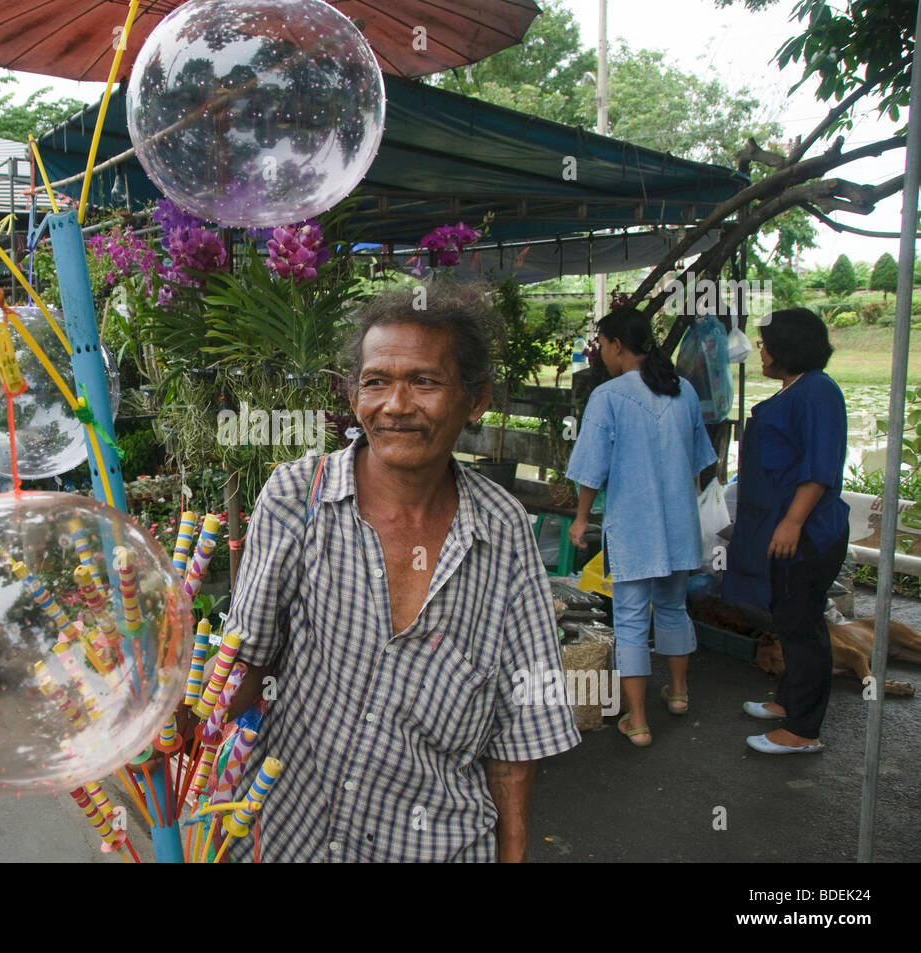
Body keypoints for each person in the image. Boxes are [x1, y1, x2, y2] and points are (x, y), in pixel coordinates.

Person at [205, 284, 580, 863]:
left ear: (475, 399)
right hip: (285, 837)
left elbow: (518, 729)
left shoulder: (502, 529)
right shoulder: (298, 496)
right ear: (353, 394)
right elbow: (244, 662)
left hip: (432, 845)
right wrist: (171, 727)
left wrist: (514, 855)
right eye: (376, 382)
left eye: (425, 382)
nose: (396, 405)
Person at [565, 307, 717, 747]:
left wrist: (580, 518)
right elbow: (698, 464)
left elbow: (591, 469)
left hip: (634, 524)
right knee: (672, 608)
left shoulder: (609, 396)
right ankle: (679, 694)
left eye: (603, 347)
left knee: (631, 621)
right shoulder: (682, 390)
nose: (602, 356)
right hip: (678, 523)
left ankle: (637, 719)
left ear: (615, 345)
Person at [723, 308, 849, 755]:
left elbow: (820, 468)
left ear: (788, 348)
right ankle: (789, 704)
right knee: (790, 618)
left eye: (765, 343)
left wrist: (793, 522)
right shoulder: (797, 389)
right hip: (781, 526)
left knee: (803, 625)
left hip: (808, 532)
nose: (761, 350)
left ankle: (803, 730)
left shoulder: (818, 393)